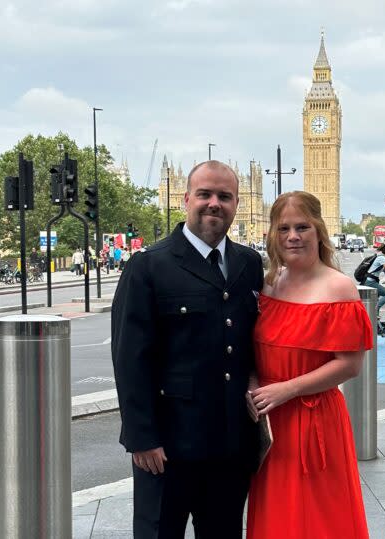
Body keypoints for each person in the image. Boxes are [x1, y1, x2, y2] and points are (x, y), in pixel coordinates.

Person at [111, 161, 264, 539]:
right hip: (168, 450)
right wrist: (141, 438)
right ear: (186, 199)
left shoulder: (249, 263)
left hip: (229, 447)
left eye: (224, 197)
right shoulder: (148, 266)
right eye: (205, 194)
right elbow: (131, 360)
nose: (214, 204)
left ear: (237, 203)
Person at [247, 191, 371, 539]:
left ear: (319, 230)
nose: (292, 236)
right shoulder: (269, 283)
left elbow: (350, 365)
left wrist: (289, 389)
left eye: (302, 226)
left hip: (314, 419)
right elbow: (254, 350)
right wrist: (254, 383)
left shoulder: (339, 287)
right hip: (270, 421)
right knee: (278, 518)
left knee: (320, 517)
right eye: (283, 227)